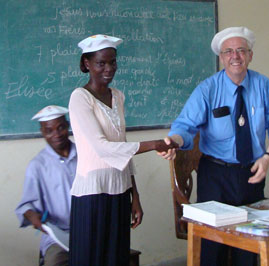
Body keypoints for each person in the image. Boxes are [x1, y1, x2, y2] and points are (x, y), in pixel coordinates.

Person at [159, 27, 269, 266]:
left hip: (252, 173)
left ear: (250, 55)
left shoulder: (264, 85)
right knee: (213, 244)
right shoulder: (208, 89)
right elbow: (184, 126)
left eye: (241, 50)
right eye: (228, 51)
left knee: (251, 242)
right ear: (221, 58)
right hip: (215, 176)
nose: (235, 56)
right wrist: (174, 142)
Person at [68, 34, 177, 266]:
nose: (109, 68)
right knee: (91, 258)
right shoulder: (80, 98)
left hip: (119, 191)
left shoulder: (117, 97)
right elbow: (102, 148)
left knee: (116, 258)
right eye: (101, 63)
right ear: (87, 64)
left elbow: (122, 146)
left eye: (113, 62)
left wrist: (134, 195)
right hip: (92, 194)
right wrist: (154, 144)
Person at [15, 105, 77, 266]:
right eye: (49, 130)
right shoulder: (38, 165)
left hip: (92, 231)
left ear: (68, 126)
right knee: (55, 262)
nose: (56, 134)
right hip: (58, 237)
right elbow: (25, 206)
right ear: (43, 132)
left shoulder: (86, 154)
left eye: (61, 127)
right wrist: (33, 216)